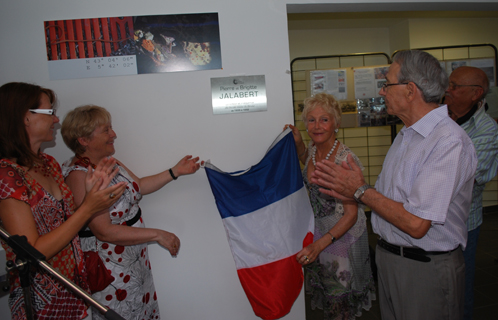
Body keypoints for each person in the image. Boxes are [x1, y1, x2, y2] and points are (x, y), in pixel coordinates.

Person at [310, 50, 477, 320]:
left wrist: (359, 190)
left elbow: (416, 224)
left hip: (424, 268)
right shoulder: (408, 135)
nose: (382, 90)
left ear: (411, 90)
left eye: (387, 83)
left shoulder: (447, 141)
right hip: (392, 260)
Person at [60, 105, 203, 320]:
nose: (114, 134)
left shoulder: (109, 162)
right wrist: (158, 234)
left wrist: (175, 172)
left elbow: (139, 186)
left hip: (134, 261)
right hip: (110, 270)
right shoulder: (79, 176)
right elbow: (104, 231)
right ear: (83, 140)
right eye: (106, 130)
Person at [0, 82, 126, 320]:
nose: (56, 120)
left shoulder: (48, 163)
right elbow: (32, 252)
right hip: (42, 298)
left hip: (74, 287)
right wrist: (89, 207)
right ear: (25, 118)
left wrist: (90, 198)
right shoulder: (7, 175)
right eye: (50, 113)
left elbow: (66, 223)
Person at [284, 92, 375, 320]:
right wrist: (299, 145)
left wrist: (320, 244)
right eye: (311, 120)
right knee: (329, 298)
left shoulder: (345, 160)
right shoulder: (316, 150)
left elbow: (351, 214)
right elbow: (309, 162)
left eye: (324, 119)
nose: (317, 126)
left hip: (341, 238)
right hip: (319, 233)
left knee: (341, 305)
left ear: (336, 123)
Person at [445, 66, 498, 320]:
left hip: (464, 223)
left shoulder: (486, 130)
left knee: (460, 286)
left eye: (455, 86)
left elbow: (468, 177)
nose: (448, 90)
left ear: (476, 94)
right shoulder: (438, 118)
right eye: (449, 84)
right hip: (431, 223)